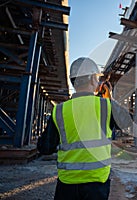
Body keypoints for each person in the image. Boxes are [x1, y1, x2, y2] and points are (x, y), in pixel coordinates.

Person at [38, 57, 113, 200]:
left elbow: (45, 148)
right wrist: (110, 97)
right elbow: (129, 124)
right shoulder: (107, 106)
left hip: (67, 183)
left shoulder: (59, 110)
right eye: (97, 79)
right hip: (97, 183)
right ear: (92, 79)